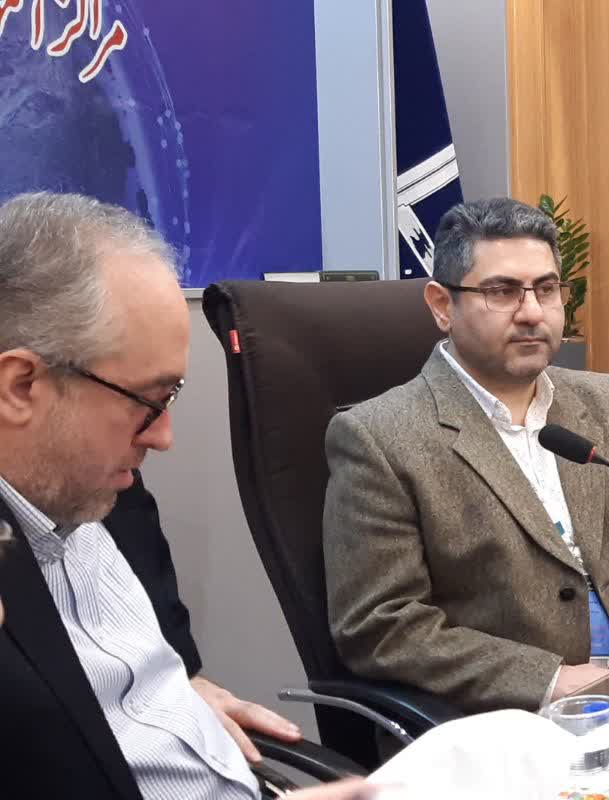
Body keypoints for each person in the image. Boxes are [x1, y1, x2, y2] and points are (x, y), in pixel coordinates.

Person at [0, 192, 374, 799]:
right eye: (148, 401)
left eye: (169, 398)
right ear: (21, 387)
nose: (163, 437)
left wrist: (183, 688)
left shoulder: (104, 487)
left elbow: (155, 665)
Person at [323, 197, 609, 713]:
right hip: (502, 721)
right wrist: (552, 681)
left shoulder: (608, 401)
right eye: (502, 292)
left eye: (546, 289)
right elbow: (380, 625)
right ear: (441, 305)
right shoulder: (379, 437)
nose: (532, 313)